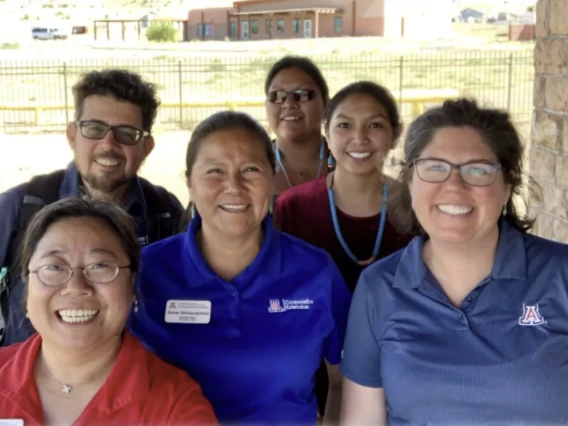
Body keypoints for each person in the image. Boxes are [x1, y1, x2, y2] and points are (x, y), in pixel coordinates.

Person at [340, 99, 568, 425]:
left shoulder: (561, 275)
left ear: (507, 187)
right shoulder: (380, 286)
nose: (454, 187)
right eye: (434, 167)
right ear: (409, 181)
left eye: (478, 170)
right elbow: (361, 420)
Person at [128, 111, 352, 425]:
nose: (233, 186)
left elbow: (344, 382)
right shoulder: (143, 273)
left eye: (250, 169)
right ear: (189, 183)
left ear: (272, 177)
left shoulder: (316, 272)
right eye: (215, 171)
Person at [0, 69, 183, 346]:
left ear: (147, 146)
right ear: (72, 135)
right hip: (25, 385)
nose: (108, 145)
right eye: (94, 129)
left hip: (137, 385)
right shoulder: (20, 207)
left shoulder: (166, 214)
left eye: (126, 133)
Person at [0, 197, 218, 425]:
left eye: (100, 266)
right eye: (54, 267)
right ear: (26, 288)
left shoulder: (175, 405)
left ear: (132, 285)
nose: (76, 287)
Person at [274, 81, 412, 292]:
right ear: (327, 133)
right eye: (344, 125)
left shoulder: (416, 206)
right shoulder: (293, 207)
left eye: (375, 125)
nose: (359, 138)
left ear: (395, 134)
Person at [265, 56, 331, 196]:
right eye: (276, 96)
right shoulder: (252, 166)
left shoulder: (349, 163)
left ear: (326, 104)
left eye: (303, 95)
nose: (288, 104)